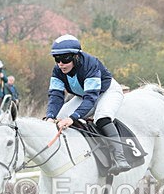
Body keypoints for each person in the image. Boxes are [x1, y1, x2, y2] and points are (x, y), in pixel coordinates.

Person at [46, 34, 131, 175]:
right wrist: (50, 115)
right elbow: (56, 96)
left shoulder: (90, 64)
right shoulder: (57, 70)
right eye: (57, 59)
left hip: (107, 92)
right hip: (84, 95)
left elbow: (91, 98)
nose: (60, 63)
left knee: (102, 117)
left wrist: (73, 118)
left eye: (65, 58)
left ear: (76, 57)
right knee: (58, 118)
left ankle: (120, 158)